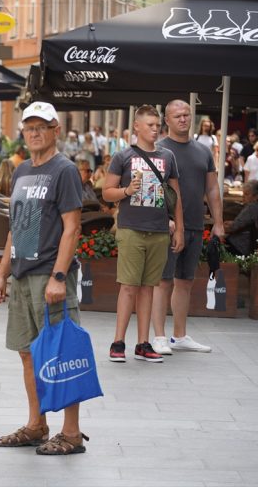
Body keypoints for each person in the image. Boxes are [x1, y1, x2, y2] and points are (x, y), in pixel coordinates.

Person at [0, 101, 89, 455]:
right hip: (22, 275)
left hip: (50, 275)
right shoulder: (21, 172)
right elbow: (17, 228)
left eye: (41, 126)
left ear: (55, 130)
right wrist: (1, 275)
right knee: (28, 354)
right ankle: (36, 425)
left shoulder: (65, 171)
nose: (33, 132)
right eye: (28, 126)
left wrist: (59, 276)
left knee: (62, 351)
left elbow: (72, 228)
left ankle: (72, 433)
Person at [104, 105, 183, 363]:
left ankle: (143, 343)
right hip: (131, 230)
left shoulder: (168, 156)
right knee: (128, 287)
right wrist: (127, 191)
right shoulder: (123, 156)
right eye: (149, 124)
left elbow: (176, 196)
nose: (154, 129)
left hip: (159, 231)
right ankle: (118, 342)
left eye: (156, 124)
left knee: (149, 287)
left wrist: (178, 228)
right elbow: (106, 192)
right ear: (136, 127)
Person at [150, 100, 225, 355]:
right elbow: (153, 190)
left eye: (186, 115)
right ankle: (159, 336)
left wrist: (218, 222)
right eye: (177, 116)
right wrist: (166, 219)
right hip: (167, 228)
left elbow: (212, 188)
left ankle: (179, 335)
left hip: (195, 224)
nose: (183, 119)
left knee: (185, 281)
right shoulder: (158, 150)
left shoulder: (203, 151)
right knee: (163, 282)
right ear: (167, 121)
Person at [224, 180, 258, 256]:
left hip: (239, 246)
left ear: (256, 196)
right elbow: (242, 223)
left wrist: (221, 225)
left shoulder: (251, 208)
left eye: (246, 194)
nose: (243, 196)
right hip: (250, 245)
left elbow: (232, 228)